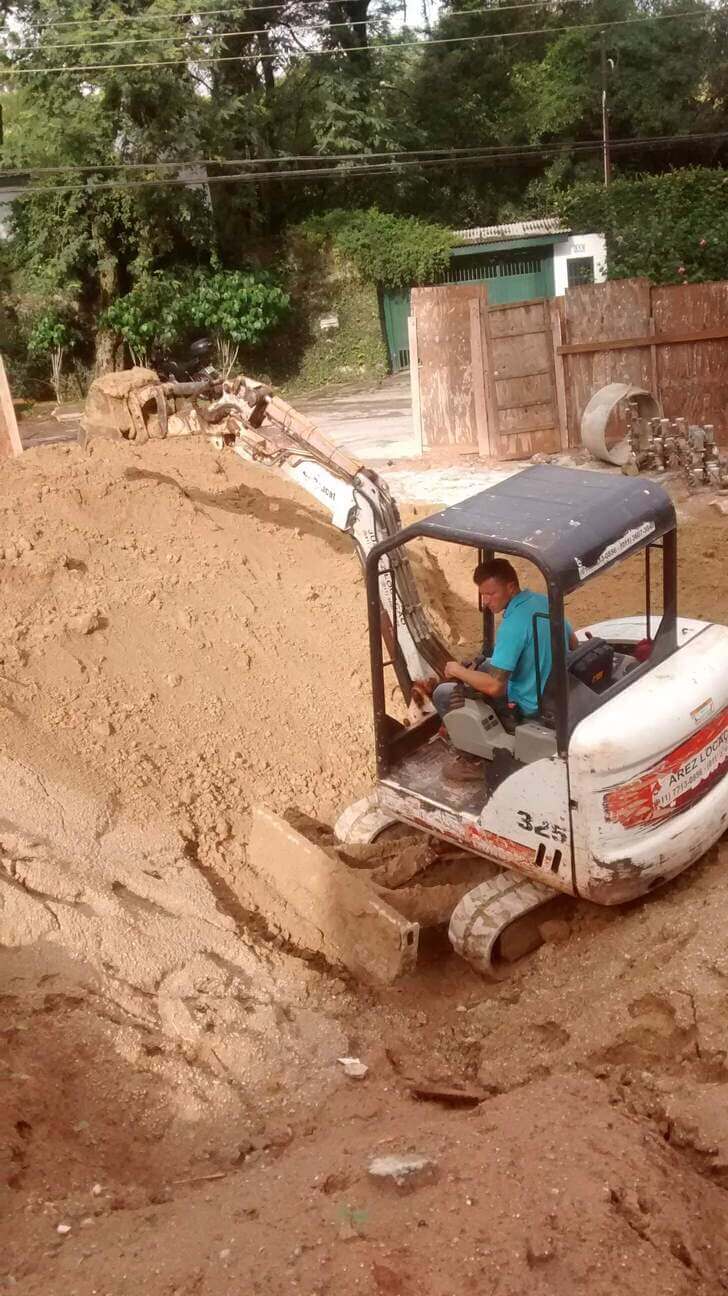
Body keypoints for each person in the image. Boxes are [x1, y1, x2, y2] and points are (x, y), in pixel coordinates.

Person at [432, 558, 577, 781]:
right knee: (486, 664)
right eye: (482, 595)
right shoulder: (542, 601)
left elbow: (495, 687)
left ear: (510, 587)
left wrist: (457, 671)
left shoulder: (512, 625)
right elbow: (573, 643)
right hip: (554, 685)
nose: (486, 601)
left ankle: (475, 761)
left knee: (444, 693)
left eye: (491, 594)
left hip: (529, 703)